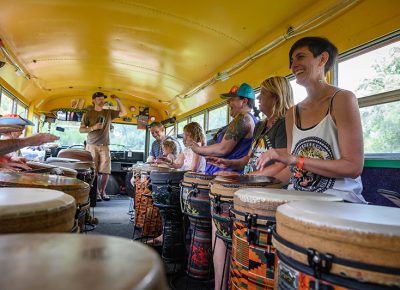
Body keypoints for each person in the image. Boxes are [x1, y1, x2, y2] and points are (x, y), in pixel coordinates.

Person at [256, 36, 366, 203]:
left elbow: (353, 166)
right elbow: (291, 170)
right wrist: (252, 184)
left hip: (338, 199)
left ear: (322, 58)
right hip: (298, 198)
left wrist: (296, 160)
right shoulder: (292, 113)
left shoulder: (342, 99)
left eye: (300, 57)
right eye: (291, 61)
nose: (293, 66)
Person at [206, 76, 294, 176]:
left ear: (276, 97)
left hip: (268, 188)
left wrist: (244, 178)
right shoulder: (260, 126)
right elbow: (248, 159)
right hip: (251, 184)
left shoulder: (283, 124)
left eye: (263, 93)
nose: (258, 97)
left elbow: (281, 166)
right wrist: (229, 163)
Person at [188, 83, 258, 176]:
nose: (228, 103)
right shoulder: (245, 119)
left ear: (244, 101)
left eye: (232, 99)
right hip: (221, 176)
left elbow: (223, 148)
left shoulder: (243, 118)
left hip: (228, 178)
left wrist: (198, 149)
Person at [80, 91, 127, 201]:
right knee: (93, 171)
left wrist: (118, 100)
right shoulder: (88, 114)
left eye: (102, 99)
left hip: (105, 145)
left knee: (106, 171)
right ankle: (95, 193)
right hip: (91, 145)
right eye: (99, 99)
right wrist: (93, 128)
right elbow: (81, 129)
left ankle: (102, 191)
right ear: (93, 101)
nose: (101, 100)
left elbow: (124, 113)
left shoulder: (108, 112)